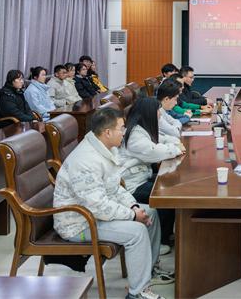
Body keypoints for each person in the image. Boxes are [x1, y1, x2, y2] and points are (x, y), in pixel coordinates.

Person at [54, 107, 172, 299]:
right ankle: (138, 293)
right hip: (78, 224)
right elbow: (98, 206)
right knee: (137, 232)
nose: (125, 132)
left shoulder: (106, 149)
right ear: (107, 132)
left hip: (94, 215)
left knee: (150, 212)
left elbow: (115, 187)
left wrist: (134, 207)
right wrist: (132, 216)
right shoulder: (86, 161)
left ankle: (149, 271)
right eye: (122, 128)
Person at [121, 97, 184, 248]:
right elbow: (155, 152)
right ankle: (161, 241)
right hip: (132, 184)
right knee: (167, 194)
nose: (160, 114)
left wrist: (176, 143)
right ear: (149, 112)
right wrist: (176, 149)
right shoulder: (135, 135)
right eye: (157, 110)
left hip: (142, 176)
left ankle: (166, 233)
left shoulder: (142, 128)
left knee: (172, 182)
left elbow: (162, 139)